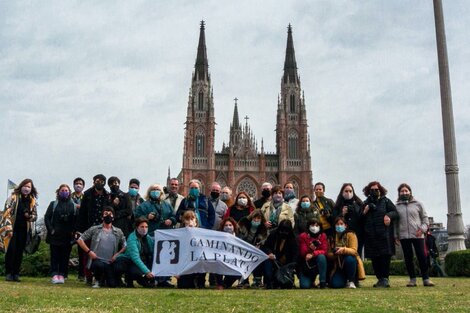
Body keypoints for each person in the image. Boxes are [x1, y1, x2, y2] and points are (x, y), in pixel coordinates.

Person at [395, 183, 435, 287]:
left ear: (410, 192)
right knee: (408, 258)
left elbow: (425, 219)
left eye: (406, 191)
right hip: (404, 236)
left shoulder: (418, 204)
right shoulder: (397, 207)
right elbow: (395, 223)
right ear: (399, 193)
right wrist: (396, 236)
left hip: (417, 235)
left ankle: (426, 278)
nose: (404, 193)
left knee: (422, 257)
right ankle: (412, 280)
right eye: (402, 191)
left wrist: (422, 229)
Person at [77, 207, 127, 288]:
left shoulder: (118, 231)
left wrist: (117, 254)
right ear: (102, 217)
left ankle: (110, 279)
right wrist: (89, 252)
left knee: (112, 285)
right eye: (106, 214)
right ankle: (97, 280)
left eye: (110, 214)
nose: (108, 216)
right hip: (97, 261)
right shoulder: (94, 229)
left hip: (110, 263)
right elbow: (80, 240)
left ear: (113, 217)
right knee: (98, 266)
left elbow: (125, 244)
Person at [76, 174, 111, 285]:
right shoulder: (87, 194)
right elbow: (82, 213)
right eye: (97, 181)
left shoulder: (107, 195)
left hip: (103, 227)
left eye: (101, 181)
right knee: (88, 252)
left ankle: (100, 276)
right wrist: (79, 229)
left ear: (104, 183)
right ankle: (88, 276)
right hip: (89, 227)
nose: (99, 183)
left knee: (101, 252)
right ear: (93, 182)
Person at [362, 181, 398, 288]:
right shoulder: (365, 203)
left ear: (380, 190)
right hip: (371, 236)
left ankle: (385, 279)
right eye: (372, 190)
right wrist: (365, 210)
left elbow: (395, 212)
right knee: (375, 259)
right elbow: (360, 218)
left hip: (384, 235)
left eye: (376, 190)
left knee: (384, 258)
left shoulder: (386, 201)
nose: (374, 192)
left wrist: (388, 215)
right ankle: (380, 279)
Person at [2, 179, 38, 282]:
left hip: (24, 229)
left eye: (29, 187)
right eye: (25, 186)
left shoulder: (32, 201)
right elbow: (6, 212)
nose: (26, 188)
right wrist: (8, 228)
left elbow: (35, 216)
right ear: (21, 186)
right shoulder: (13, 198)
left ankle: (16, 273)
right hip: (12, 228)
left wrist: (30, 216)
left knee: (19, 251)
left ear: (31, 189)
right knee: (11, 250)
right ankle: (9, 273)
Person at [44, 184, 77, 284]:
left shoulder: (74, 206)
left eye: (66, 190)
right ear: (58, 192)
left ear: (69, 192)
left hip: (67, 236)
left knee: (65, 256)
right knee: (54, 256)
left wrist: (74, 232)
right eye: (62, 190)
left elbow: (76, 220)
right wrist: (51, 230)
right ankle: (54, 274)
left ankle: (62, 274)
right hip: (55, 235)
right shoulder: (53, 204)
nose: (64, 192)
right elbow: (47, 218)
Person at [115, 218, 155, 288]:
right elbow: (135, 257)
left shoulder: (148, 238)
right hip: (131, 261)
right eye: (142, 227)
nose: (144, 229)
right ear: (137, 227)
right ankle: (128, 279)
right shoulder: (132, 238)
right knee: (136, 273)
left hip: (144, 261)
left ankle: (143, 280)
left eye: (146, 227)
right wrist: (147, 271)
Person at [328, 217, 365, 289]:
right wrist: (335, 253)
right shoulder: (331, 237)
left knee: (350, 259)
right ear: (334, 226)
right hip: (338, 265)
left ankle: (352, 281)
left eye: (341, 224)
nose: (339, 226)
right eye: (337, 224)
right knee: (336, 285)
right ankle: (344, 280)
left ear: (345, 225)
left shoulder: (351, 234)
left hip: (349, 261)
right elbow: (328, 254)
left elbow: (354, 251)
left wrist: (343, 250)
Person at [262, 219, 298, 289]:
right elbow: (266, 246)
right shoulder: (273, 234)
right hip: (272, 259)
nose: (284, 233)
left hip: (286, 263)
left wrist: (292, 266)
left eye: (286, 231)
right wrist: (270, 253)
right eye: (282, 231)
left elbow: (295, 253)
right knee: (268, 271)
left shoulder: (292, 237)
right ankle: (268, 282)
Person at [333, 183, 364, 258]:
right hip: (342, 237)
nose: (348, 193)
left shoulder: (359, 204)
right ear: (342, 192)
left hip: (357, 235)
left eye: (350, 191)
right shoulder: (337, 206)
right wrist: (342, 214)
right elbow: (334, 220)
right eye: (346, 191)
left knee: (357, 256)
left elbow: (362, 218)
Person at [238, 210, 268, 288]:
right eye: (254, 218)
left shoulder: (263, 229)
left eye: (258, 219)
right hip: (243, 248)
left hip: (255, 250)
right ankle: (244, 280)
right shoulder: (243, 224)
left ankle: (257, 281)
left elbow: (264, 240)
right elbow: (239, 237)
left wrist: (259, 244)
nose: (256, 220)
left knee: (258, 263)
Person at [297, 218, 328, 289]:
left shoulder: (323, 236)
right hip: (306, 263)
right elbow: (302, 252)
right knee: (304, 286)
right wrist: (310, 248)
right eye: (312, 225)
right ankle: (311, 280)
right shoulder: (303, 236)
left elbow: (324, 251)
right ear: (308, 226)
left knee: (322, 257)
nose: (315, 227)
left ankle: (322, 282)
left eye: (317, 225)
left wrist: (313, 253)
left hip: (318, 261)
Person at [214, 217, 240, 290]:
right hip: (221, 259)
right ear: (222, 227)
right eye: (226, 225)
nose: (228, 227)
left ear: (234, 226)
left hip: (233, 261)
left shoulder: (239, 237)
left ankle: (225, 284)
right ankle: (220, 284)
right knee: (217, 262)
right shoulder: (218, 237)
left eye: (230, 225)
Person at [176, 211, 200, 288]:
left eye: (192, 219)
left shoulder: (202, 234)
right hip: (183, 267)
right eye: (187, 219)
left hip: (197, 266)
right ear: (183, 221)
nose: (190, 221)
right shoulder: (178, 235)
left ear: (196, 221)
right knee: (184, 285)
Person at [71, 177, 86, 281]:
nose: (78, 185)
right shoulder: (69, 196)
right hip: (70, 226)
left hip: (82, 227)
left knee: (82, 252)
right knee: (66, 250)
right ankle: (62, 273)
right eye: (76, 183)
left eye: (80, 184)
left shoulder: (86, 197)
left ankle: (82, 274)